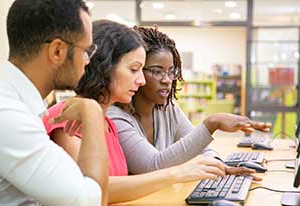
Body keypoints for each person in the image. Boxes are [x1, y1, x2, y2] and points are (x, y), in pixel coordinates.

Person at [41, 20, 257, 203]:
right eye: (134, 70)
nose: (142, 80)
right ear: (104, 66)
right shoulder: (68, 117)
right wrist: (178, 173)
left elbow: (117, 185)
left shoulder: (105, 122)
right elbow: (94, 190)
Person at [0, 0, 109, 205]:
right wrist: (92, 111)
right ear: (57, 51)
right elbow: (92, 201)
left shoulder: (14, 102)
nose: (88, 61)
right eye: (87, 51)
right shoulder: (6, 114)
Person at [106, 25, 271, 175]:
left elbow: (202, 149)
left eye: (171, 71)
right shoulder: (114, 116)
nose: (167, 80)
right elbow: (152, 166)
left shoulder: (168, 109)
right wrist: (211, 124)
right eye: (157, 71)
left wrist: (220, 166)